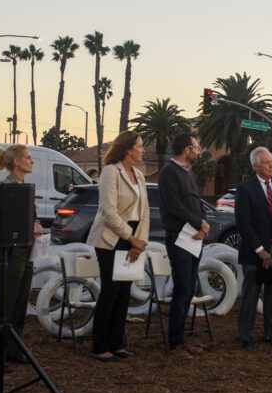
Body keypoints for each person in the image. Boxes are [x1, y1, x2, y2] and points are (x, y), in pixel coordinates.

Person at [86, 131, 150, 362]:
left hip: (133, 238)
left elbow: (145, 213)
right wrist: (131, 239)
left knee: (124, 294)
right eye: (140, 146)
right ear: (127, 148)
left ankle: (116, 342)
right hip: (110, 239)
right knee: (111, 292)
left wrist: (139, 242)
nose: (143, 150)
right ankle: (99, 344)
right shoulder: (110, 172)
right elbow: (108, 212)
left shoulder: (140, 176)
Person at [234, 147, 272, 350]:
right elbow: (243, 223)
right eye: (267, 162)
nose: (271, 165)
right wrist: (260, 249)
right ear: (255, 165)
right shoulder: (245, 189)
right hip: (253, 254)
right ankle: (245, 336)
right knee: (250, 296)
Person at [0, 144, 44, 363]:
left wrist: (35, 223)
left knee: (21, 301)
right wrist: (28, 226)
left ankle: (14, 348)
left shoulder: (24, 186)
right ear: (16, 162)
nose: (31, 161)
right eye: (28, 158)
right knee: (7, 303)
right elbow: (6, 223)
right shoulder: (8, 187)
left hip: (26, 250)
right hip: (12, 254)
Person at [158, 133, 209, 358]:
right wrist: (198, 222)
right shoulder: (169, 172)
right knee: (181, 289)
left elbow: (196, 202)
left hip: (194, 237)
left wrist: (203, 223)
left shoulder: (190, 172)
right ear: (187, 150)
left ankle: (182, 339)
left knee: (189, 289)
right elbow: (174, 206)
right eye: (196, 147)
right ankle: (175, 344)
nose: (199, 151)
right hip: (178, 238)